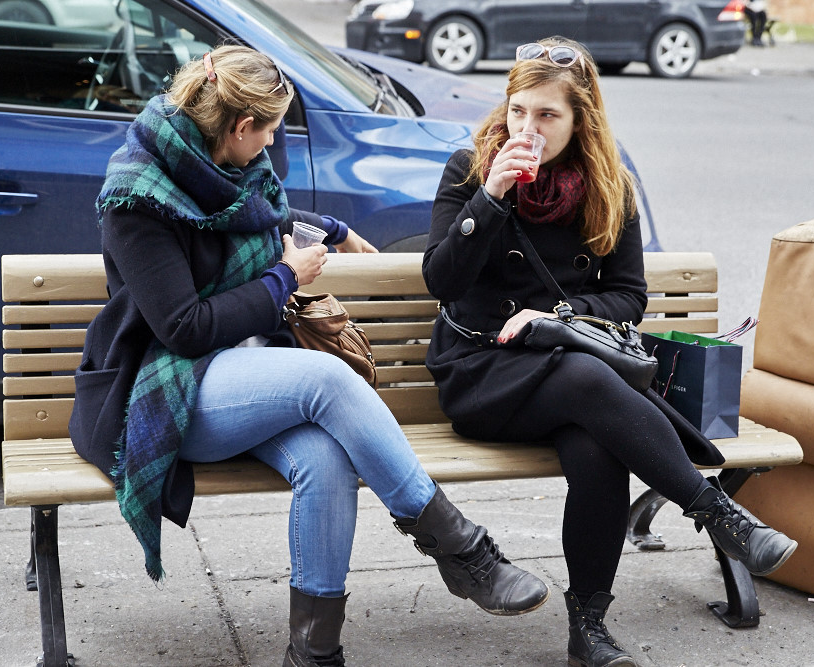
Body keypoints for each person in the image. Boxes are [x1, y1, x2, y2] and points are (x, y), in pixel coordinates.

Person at [67, 45, 551, 667]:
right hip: (169, 390)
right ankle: (462, 553)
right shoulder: (139, 201)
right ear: (239, 128)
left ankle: (313, 654)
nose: (270, 147)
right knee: (324, 378)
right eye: (267, 132)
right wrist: (283, 279)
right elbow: (184, 328)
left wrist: (332, 227)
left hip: (245, 371)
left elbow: (241, 215)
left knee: (324, 458)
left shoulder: (208, 167)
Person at [421, 37, 797, 667]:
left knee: (598, 452)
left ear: (580, 118)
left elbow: (628, 297)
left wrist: (562, 316)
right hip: (483, 371)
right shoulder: (470, 169)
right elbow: (442, 281)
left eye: (547, 115)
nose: (528, 129)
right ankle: (719, 515)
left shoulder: (608, 186)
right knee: (586, 379)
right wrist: (489, 198)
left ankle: (588, 627)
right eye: (518, 111)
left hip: (569, 368)